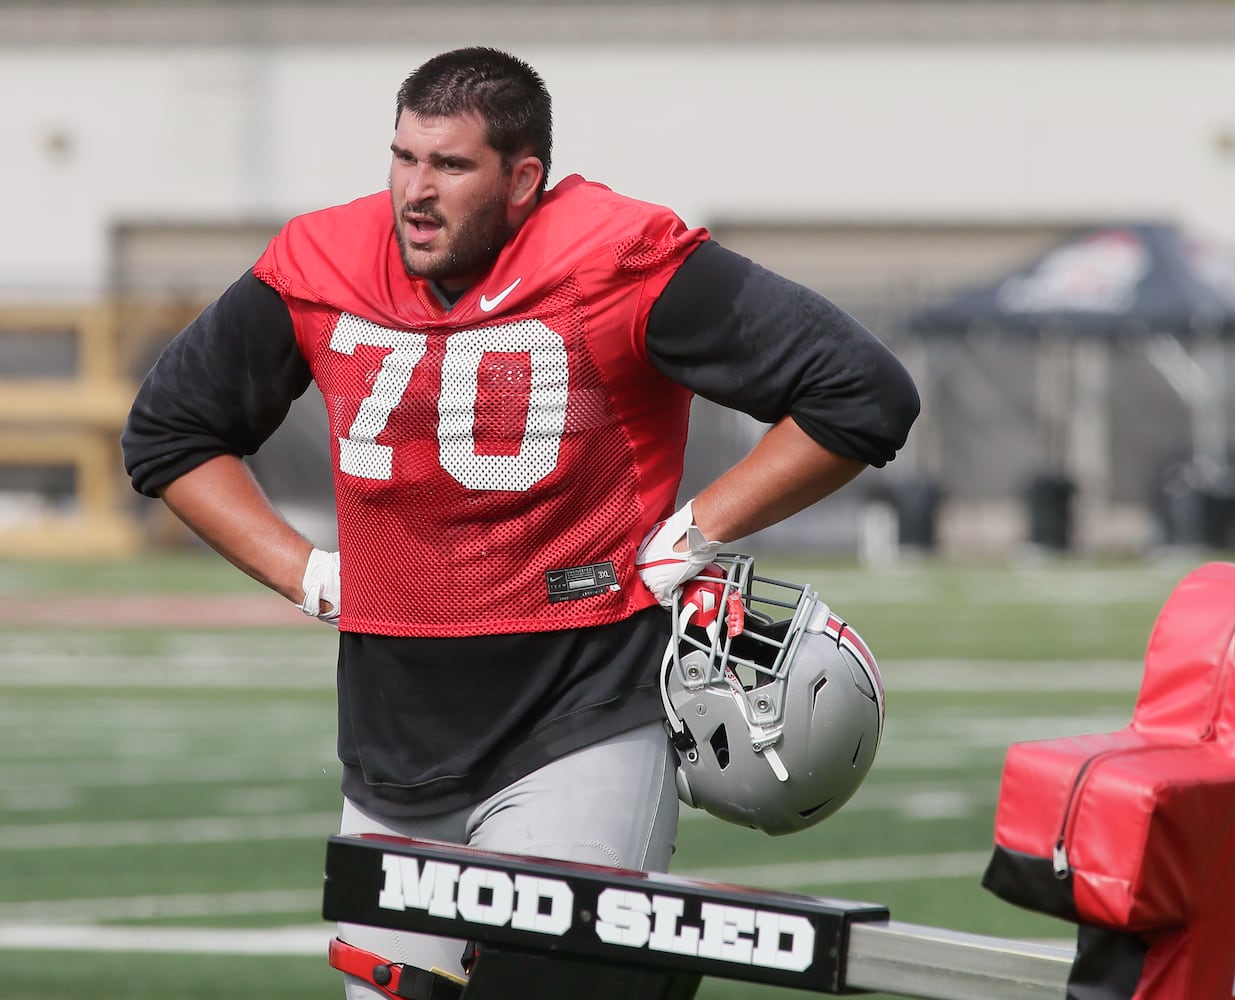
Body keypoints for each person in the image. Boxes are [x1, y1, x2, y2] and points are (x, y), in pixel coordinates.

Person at [121, 46, 918, 999]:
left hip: (578, 716)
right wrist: (303, 571)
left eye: (450, 166)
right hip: (391, 742)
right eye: (404, 158)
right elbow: (168, 433)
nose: (416, 191)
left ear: (523, 178)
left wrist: (700, 526)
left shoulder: (615, 256)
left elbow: (861, 393)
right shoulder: (322, 259)